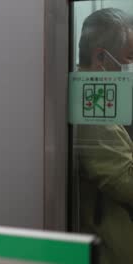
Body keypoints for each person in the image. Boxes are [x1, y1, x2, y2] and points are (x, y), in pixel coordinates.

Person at [75, 8, 133, 264]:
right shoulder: (92, 102)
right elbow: (125, 182)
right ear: (101, 57)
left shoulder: (98, 96)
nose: (129, 68)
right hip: (107, 247)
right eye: (128, 59)